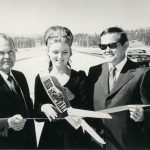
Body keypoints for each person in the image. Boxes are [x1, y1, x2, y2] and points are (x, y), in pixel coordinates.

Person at [34, 26, 100, 149]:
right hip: (51, 138)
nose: (60, 56)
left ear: (70, 53)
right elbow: (37, 115)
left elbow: (89, 111)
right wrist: (43, 107)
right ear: (47, 52)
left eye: (65, 52)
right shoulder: (42, 78)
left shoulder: (80, 77)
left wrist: (73, 98)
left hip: (76, 138)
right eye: (55, 52)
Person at [86, 27, 149, 149]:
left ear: (125, 45)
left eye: (112, 45)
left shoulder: (142, 73)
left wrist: (143, 116)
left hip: (127, 144)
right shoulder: (94, 71)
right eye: (103, 46)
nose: (107, 50)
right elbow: (88, 105)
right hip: (98, 143)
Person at [0, 33, 36, 149]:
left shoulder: (20, 76)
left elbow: (30, 111)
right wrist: (7, 123)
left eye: (10, 52)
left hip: (28, 144)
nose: (7, 56)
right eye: (1, 53)